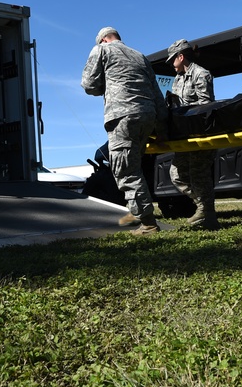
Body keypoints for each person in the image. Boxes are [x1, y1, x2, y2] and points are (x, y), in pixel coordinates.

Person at [81, 27, 168, 235]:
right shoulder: (140, 56)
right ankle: (137, 213)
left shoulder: (101, 50)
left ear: (103, 40)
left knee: (125, 170)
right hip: (148, 116)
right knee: (136, 167)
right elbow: (157, 94)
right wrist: (162, 127)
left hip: (122, 116)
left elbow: (89, 84)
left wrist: (107, 84)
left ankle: (147, 223)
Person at [165, 39, 219, 230]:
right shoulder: (179, 78)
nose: (172, 63)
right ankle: (204, 208)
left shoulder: (201, 74)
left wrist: (185, 110)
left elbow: (206, 105)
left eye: (173, 59)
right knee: (176, 174)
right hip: (184, 135)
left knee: (198, 175)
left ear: (181, 57)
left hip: (200, 134)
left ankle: (207, 214)